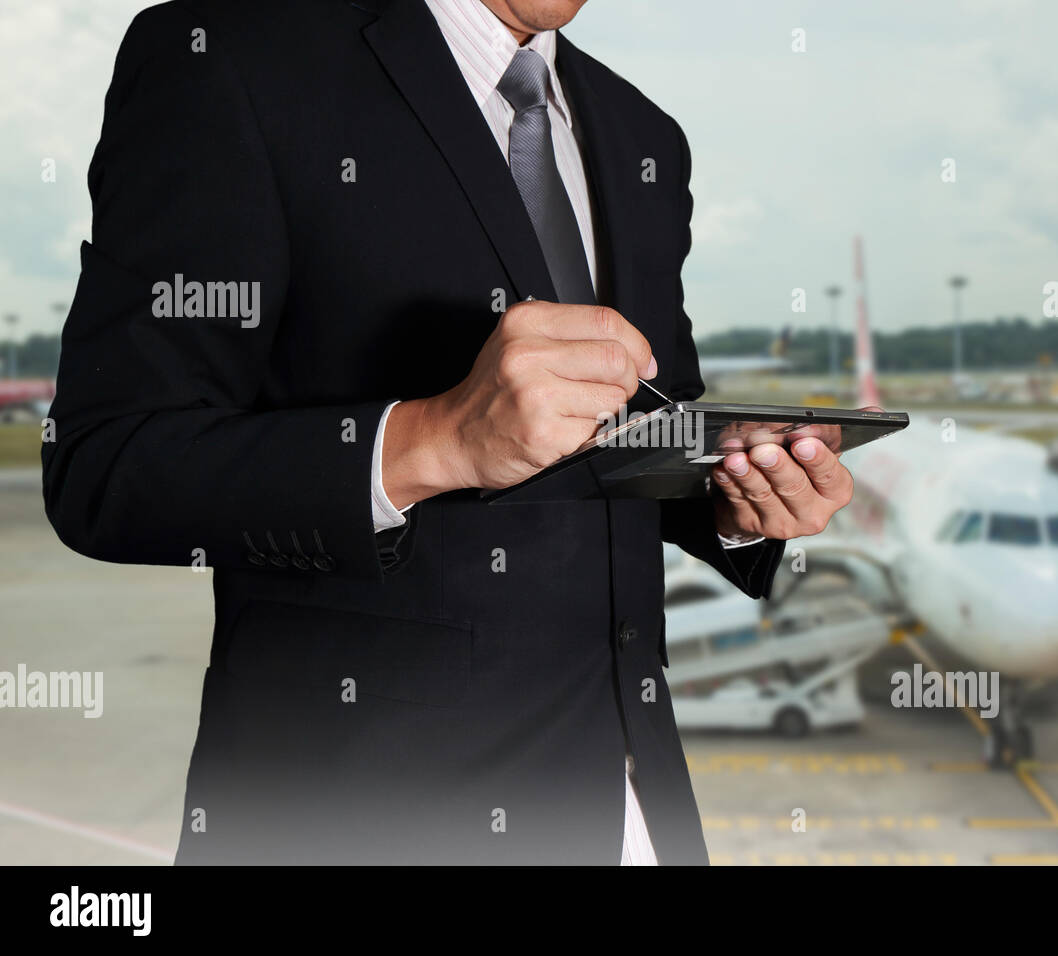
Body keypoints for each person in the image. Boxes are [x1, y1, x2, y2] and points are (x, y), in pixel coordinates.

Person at [43, 0, 854, 864]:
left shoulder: (641, 132)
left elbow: (643, 424)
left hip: (629, 806)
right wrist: (433, 441)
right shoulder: (227, 59)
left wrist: (738, 497)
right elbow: (106, 464)